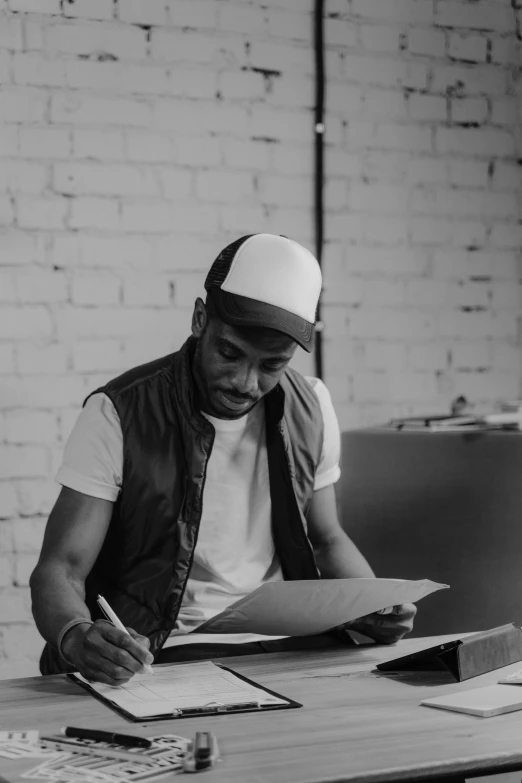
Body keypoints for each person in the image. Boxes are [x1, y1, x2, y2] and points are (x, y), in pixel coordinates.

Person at [30, 233, 416, 685]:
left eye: (272, 365)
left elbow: (326, 539)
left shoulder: (310, 406)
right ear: (199, 320)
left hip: (289, 645)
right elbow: (61, 568)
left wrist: (373, 605)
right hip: (164, 650)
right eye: (229, 353)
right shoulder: (120, 412)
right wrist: (77, 636)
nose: (245, 382)